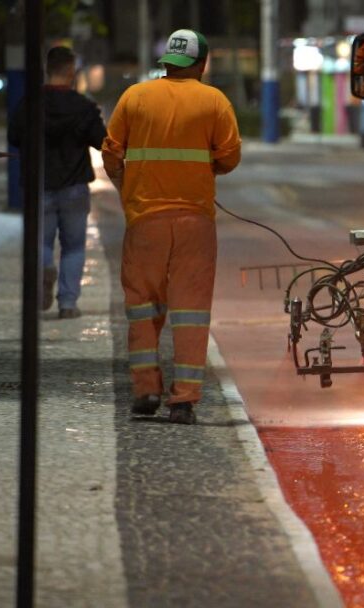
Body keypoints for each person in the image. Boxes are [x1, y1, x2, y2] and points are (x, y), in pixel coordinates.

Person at [102, 29, 241, 425]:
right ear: (201, 64)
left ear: (167, 61)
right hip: (196, 222)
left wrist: (127, 187)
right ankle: (183, 401)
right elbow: (229, 157)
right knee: (192, 312)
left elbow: (111, 153)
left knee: (142, 307)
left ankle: (146, 390)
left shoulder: (134, 98)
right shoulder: (214, 101)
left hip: (145, 222)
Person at [9, 46, 107, 319]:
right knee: (74, 246)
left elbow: (14, 136)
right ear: (71, 71)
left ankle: (43, 269)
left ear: (47, 69)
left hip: (38, 185)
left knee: (40, 242)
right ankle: (67, 304)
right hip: (74, 186)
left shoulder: (29, 103)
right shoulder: (84, 107)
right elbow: (102, 141)